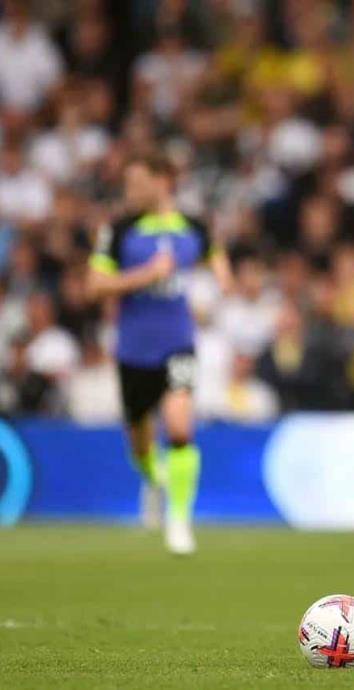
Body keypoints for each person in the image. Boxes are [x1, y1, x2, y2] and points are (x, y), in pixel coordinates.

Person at [87, 151, 232, 555]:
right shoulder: (119, 230)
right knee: (140, 443)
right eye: (127, 184)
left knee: (180, 427)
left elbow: (214, 254)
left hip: (177, 342)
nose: (130, 191)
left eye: (137, 183)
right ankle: (155, 478)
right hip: (133, 350)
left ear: (162, 180)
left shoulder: (193, 226)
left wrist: (222, 278)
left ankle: (179, 520)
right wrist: (145, 275)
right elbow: (94, 286)